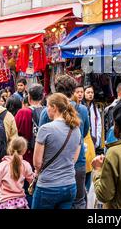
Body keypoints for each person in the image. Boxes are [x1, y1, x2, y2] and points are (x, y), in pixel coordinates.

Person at [39, 75, 90, 209]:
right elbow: (83, 135)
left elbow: (40, 139)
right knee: (78, 202)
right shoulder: (82, 109)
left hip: (52, 167)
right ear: (73, 91)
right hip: (77, 162)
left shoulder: (47, 111)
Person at [32, 93, 82, 209]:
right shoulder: (76, 129)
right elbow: (74, 159)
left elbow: (37, 163)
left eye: (48, 106)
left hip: (48, 185)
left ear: (54, 107)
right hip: (69, 184)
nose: (46, 109)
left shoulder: (45, 129)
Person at [14, 84, 44, 207]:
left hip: (25, 157)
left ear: (29, 97)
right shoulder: (48, 112)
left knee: (26, 190)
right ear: (42, 97)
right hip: (43, 157)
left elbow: (15, 134)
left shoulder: (23, 113)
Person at [0, 136, 34, 209]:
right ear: (24, 150)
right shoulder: (25, 165)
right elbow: (32, 182)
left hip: (4, 203)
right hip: (20, 202)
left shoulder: (2, 165)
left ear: (10, 148)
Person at [83, 86, 103, 153]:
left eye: (92, 92)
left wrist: (98, 138)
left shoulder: (94, 108)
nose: (90, 94)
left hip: (94, 139)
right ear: (84, 93)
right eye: (88, 92)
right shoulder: (82, 107)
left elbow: (99, 124)